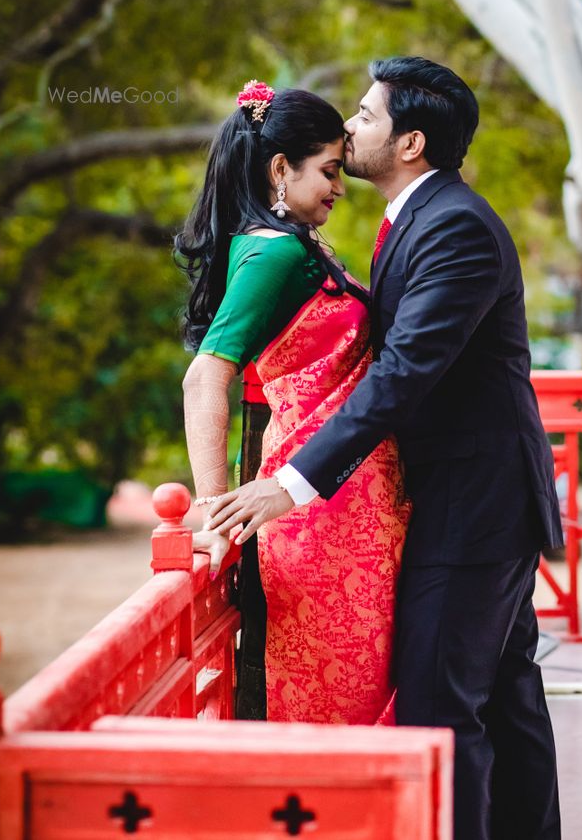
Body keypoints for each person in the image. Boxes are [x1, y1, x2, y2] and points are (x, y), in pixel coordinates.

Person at [208, 57, 564, 840]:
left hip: (476, 504)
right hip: (463, 498)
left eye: (366, 118)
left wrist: (291, 483)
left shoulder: (455, 226)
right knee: (503, 699)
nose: (350, 127)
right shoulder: (413, 222)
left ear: (409, 142)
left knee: (440, 711)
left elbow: (403, 374)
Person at [178, 79, 409, 724]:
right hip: (317, 508)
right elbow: (205, 378)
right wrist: (213, 509)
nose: (340, 187)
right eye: (330, 172)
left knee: (364, 684)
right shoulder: (271, 253)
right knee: (337, 693)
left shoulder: (297, 244)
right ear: (281, 169)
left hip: (349, 497)